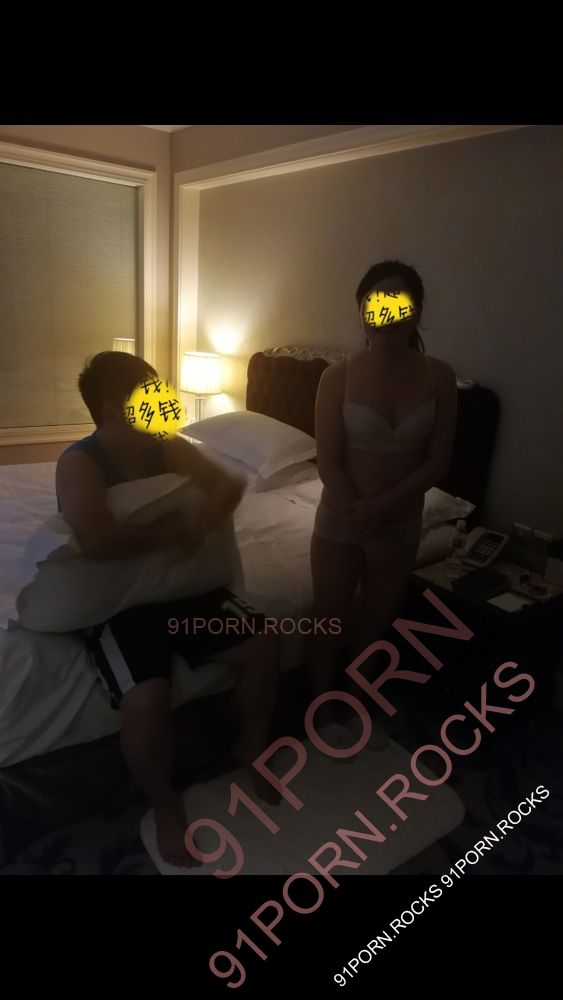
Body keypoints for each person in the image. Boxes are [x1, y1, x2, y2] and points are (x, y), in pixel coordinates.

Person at [56, 351, 279, 868]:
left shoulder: (168, 446)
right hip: (121, 605)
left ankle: (250, 747)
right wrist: (167, 533)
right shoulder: (79, 462)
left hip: (184, 591)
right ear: (111, 410)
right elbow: (95, 539)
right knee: (147, 698)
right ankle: (164, 801)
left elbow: (230, 485)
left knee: (264, 643)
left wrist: (203, 522)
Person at [309, 261, 458, 740]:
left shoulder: (440, 377)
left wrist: (381, 509)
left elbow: (437, 463)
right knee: (329, 623)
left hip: (400, 524)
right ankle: (319, 712)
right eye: (376, 303)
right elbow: (328, 461)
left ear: (417, 312)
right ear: (361, 311)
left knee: (374, 626)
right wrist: (360, 512)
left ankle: (355, 705)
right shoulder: (337, 377)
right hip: (341, 519)